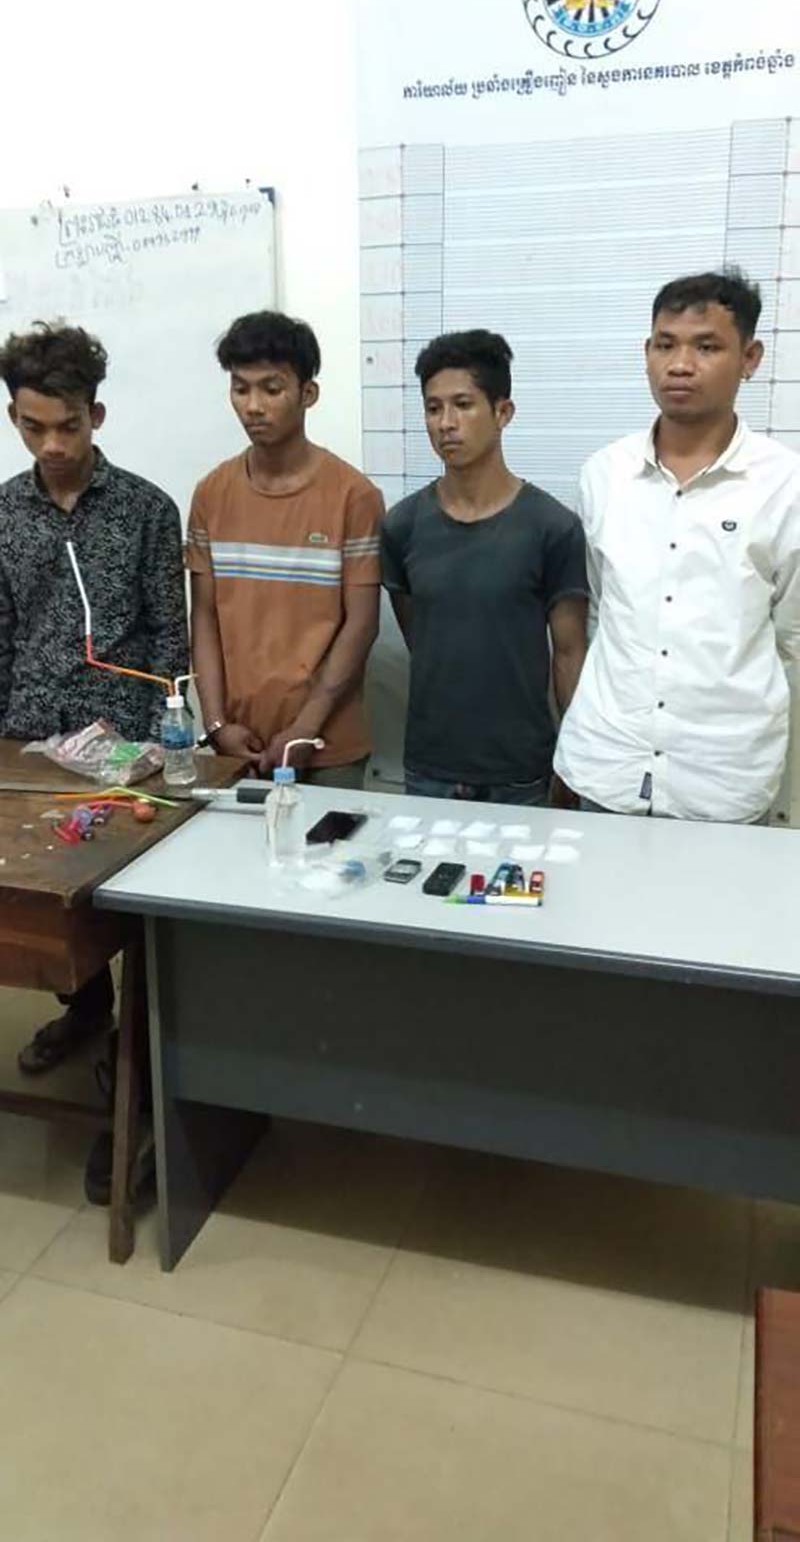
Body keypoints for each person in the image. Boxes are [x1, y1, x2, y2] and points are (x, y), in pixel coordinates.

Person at [0, 322, 188, 1083]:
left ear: (96, 416)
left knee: (127, 909)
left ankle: (139, 1049)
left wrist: (165, 743)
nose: (51, 444)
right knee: (49, 901)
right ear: (13, 417)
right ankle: (86, 1012)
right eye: (32, 427)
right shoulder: (4, 513)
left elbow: (170, 638)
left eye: (67, 426)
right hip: (30, 737)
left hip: (126, 743)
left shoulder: (147, 509)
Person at [555, 267, 800, 822]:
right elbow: (601, 606)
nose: (681, 364)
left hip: (724, 777)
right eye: (665, 345)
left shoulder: (784, 485)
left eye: (706, 346)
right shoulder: (604, 475)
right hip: (607, 763)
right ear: (647, 352)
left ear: (751, 358)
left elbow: (789, 635)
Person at [381, 329, 588, 804]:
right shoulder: (402, 525)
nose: (446, 424)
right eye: (433, 408)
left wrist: (574, 761)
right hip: (430, 768)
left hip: (521, 771)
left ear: (502, 412)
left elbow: (569, 654)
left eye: (463, 405)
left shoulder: (552, 527)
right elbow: (421, 637)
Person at [186, 310, 383, 787]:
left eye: (271, 389)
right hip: (237, 744)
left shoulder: (353, 496)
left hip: (328, 747)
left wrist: (305, 728)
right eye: (241, 389)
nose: (253, 406)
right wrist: (216, 723)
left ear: (307, 393)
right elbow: (204, 616)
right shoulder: (211, 494)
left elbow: (361, 624)